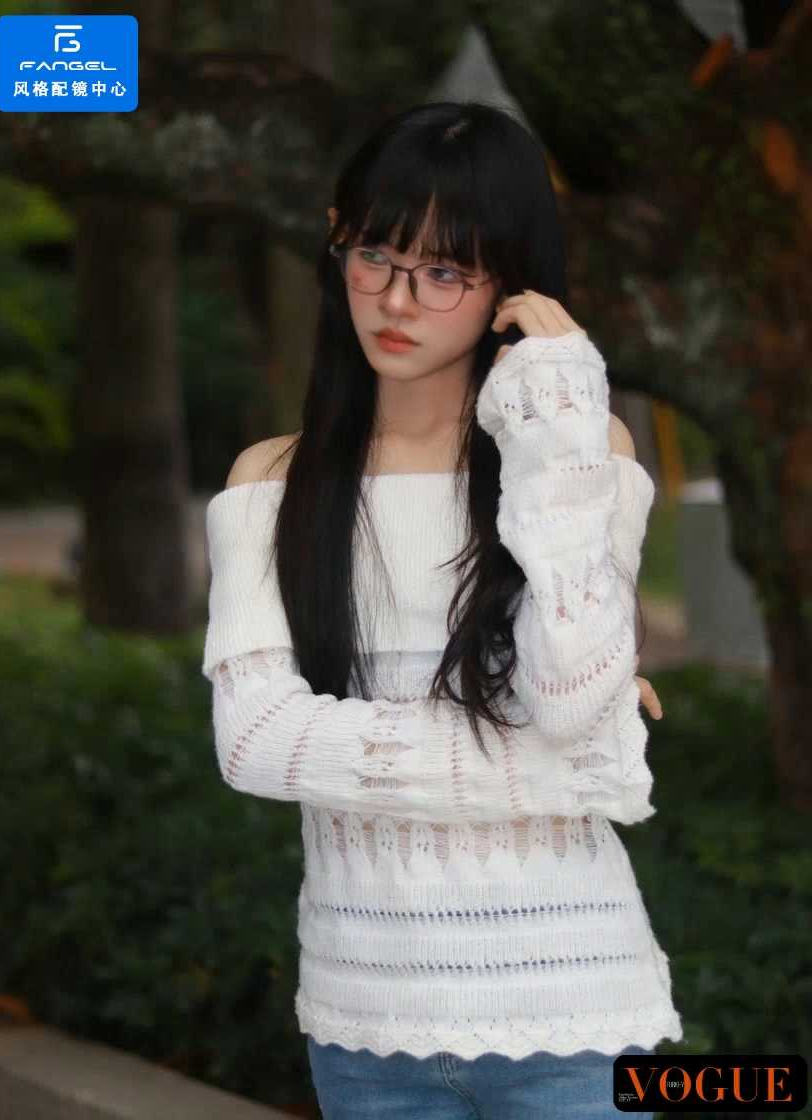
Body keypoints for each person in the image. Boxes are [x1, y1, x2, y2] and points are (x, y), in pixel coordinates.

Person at [202, 100, 681, 1119]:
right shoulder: (270, 484)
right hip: (363, 1026)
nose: (396, 299)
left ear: (512, 285)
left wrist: (558, 419)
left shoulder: (580, 458)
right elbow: (253, 742)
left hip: (576, 1014)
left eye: (445, 272)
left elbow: (569, 694)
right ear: (337, 242)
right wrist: (555, 764)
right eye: (375, 255)